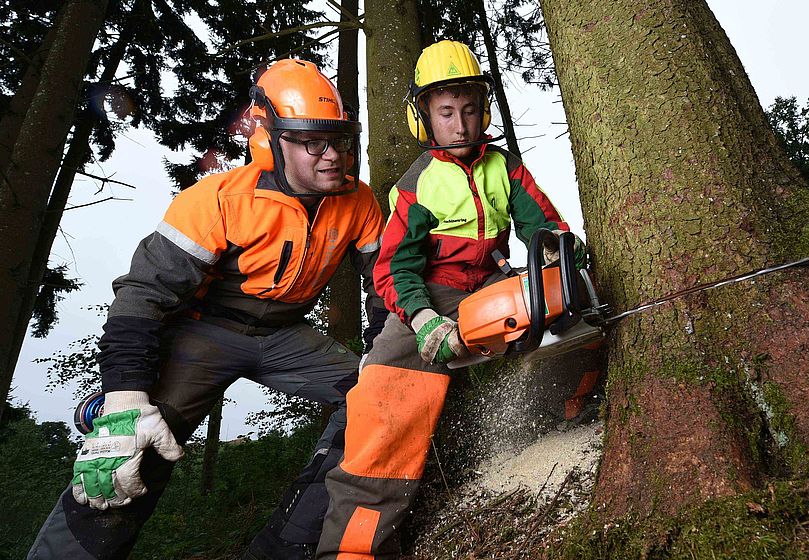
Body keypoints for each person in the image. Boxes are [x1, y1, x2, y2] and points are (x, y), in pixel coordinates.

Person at [27, 58, 388, 560]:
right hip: (204, 330)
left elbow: (384, 281)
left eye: (340, 140)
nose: (332, 156)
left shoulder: (359, 201)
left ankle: (290, 545)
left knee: (383, 398)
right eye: (312, 142)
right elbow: (142, 296)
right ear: (269, 138)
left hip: (285, 334)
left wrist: (383, 349)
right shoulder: (217, 199)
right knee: (131, 448)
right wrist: (125, 395)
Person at [315, 40, 587, 559]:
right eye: (445, 112)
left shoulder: (504, 168)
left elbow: (542, 226)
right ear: (425, 118)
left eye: (468, 110)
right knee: (385, 396)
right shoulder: (415, 185)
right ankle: (351, 547)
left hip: (488, 278)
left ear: (481, 110)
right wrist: (421, 320)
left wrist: (556, 254)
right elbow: (395, 269)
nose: (460, 124)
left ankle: (569, 415)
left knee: (563, 305)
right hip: (428, 290)